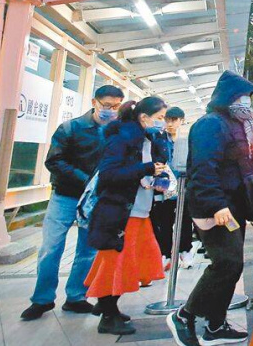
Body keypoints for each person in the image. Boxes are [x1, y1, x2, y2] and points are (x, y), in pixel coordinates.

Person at [167, 71, 253, 346]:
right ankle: (184, 315)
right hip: (216, 208)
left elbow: (234, 163)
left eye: (248, 98)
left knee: (232, 266)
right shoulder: (210, 125)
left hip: (234, 207)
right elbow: (203, 169)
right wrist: (216, 205)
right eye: (243, 98)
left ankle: (215, 325)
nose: (247, 103)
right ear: (229, 98)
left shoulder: (237, 125)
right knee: (227, 263)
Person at [21, 85, 124, 321]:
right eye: (106, 105)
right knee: (51, 248)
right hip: (65, 196)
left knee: (87, 251)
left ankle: (76, 297)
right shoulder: (71, 128)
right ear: (94, 102)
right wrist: (86, 180)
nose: (110, 110)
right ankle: (42, 299)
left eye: (116, 106)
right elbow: (54, 160)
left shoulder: (118, 133)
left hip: (95, 200)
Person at [85, 97, 169, 336]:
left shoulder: (145, 139)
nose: (163, 124)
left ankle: (108, 306)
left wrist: (155, 176)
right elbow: (109, 174)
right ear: (144, 118)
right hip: (121, 212)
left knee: (127, 261)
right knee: (116, 262)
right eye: (160, 118)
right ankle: (108, 315)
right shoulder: (123, 138)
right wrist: (147, 169)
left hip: (137, 211)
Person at [150, 107, 198, 270]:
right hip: (163, 185)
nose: (170, 123)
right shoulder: (158, 138)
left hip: (183, 185)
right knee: (164, 221)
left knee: (185, 220)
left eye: (174, 120)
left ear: (181, 121)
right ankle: (166, 254)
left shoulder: (187, 140)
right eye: (168, 120)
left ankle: (185, 250)